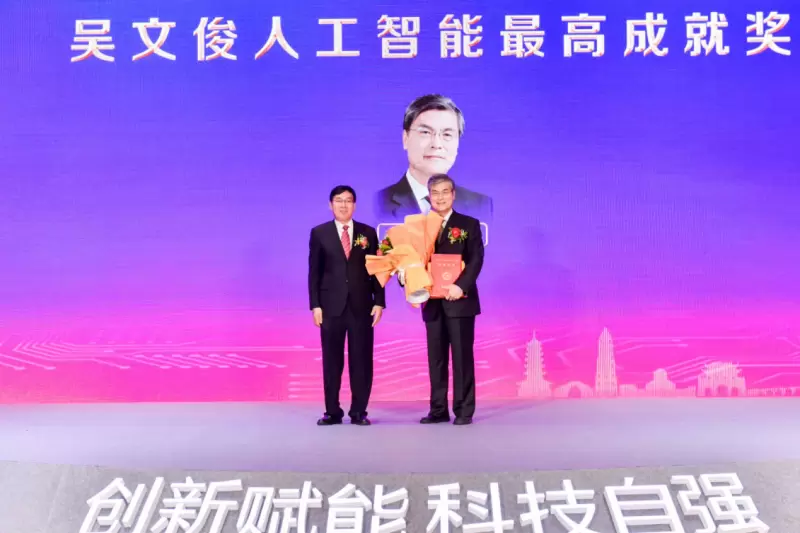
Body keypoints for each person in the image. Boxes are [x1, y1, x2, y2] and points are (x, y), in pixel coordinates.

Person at [402, 174, 484, 425]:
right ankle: (438, 410)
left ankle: (464, 410)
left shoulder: (468, 224)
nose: (440, 197)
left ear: (453, 194)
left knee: (461, 357)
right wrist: (405, 275)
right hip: (433, 302)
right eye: (435, 193)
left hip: (460, 301)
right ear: (429, 196)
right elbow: (411, 260)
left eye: (445, 192)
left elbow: (476, 260)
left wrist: (461, 285)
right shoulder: (420, 226)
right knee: (436, 359)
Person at [308, 185, 385, 426]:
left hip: (362, 306)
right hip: (330, 307)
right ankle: (332, 411)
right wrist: (315, 305)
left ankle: (359, 411)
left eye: (348, 200)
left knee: (361, 361)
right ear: (330, 204)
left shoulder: (367, 233)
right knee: (332, 361)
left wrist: (379, 301)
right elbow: (314, 272)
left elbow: (376, 269)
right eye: (339, 200)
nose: (344, 205)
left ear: (355, 205)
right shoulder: (319, 233)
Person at [374, 94, 493, 222]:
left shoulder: (481, 205)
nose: (436, 144)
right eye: (425, 132)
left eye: (447, 134)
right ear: (405, 138)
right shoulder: (379, 202)